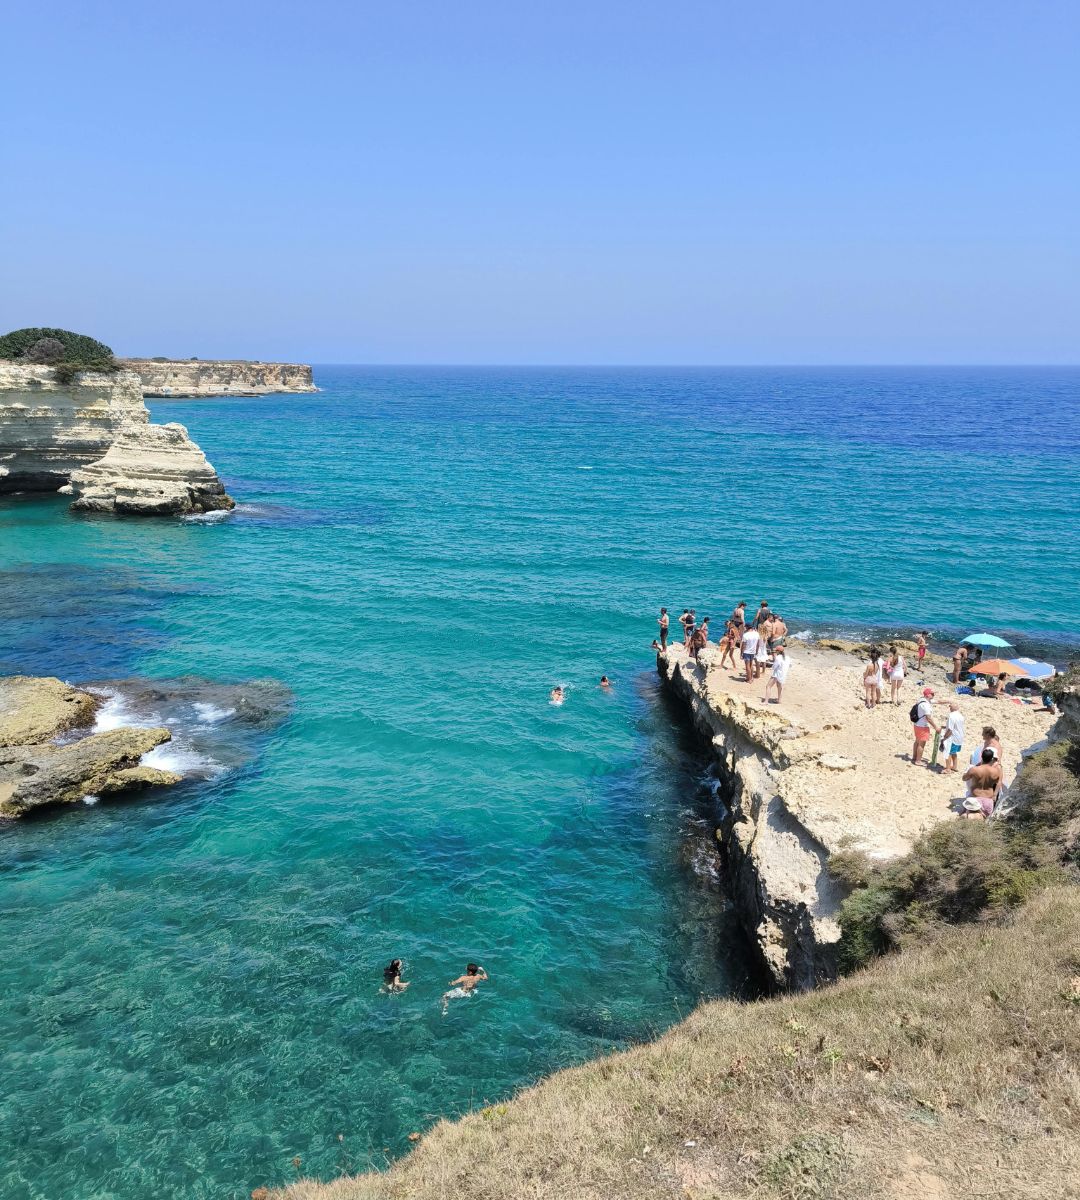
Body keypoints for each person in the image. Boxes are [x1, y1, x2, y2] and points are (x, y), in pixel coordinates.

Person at [961, 749, 1003, 819]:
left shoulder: (974, 769)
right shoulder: (995, 771)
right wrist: (995, 795)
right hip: (988, 799)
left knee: (967, 818)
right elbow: (998, 783)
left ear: (981, 757)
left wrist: (968, 771)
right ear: (992, 758)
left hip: (975, 799)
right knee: (985, 821)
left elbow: (964, 778)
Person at [911, 687, 940, 766]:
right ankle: (918, 761)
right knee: (921, 744)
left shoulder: (921, 700)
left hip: (917, 724)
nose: (934, 695)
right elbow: (929, 718)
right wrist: (936, 727)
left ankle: (914, 757)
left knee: (917, 741)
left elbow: (938, 701)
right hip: (923, 727)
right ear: (927, 695)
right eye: (932, 694)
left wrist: (948, 701)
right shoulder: (926, 705)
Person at [942, 701, 965, 773]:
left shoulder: (951, 715)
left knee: (948, 752)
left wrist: (944, 737)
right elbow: (957, 726)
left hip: (953, 737)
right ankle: (954, 766)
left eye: (950, 707)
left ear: (951, 708)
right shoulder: (961, 715)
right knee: (954, 752)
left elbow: (950, 729)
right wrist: (945, 727)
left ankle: (948, 769)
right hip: (960, 737)